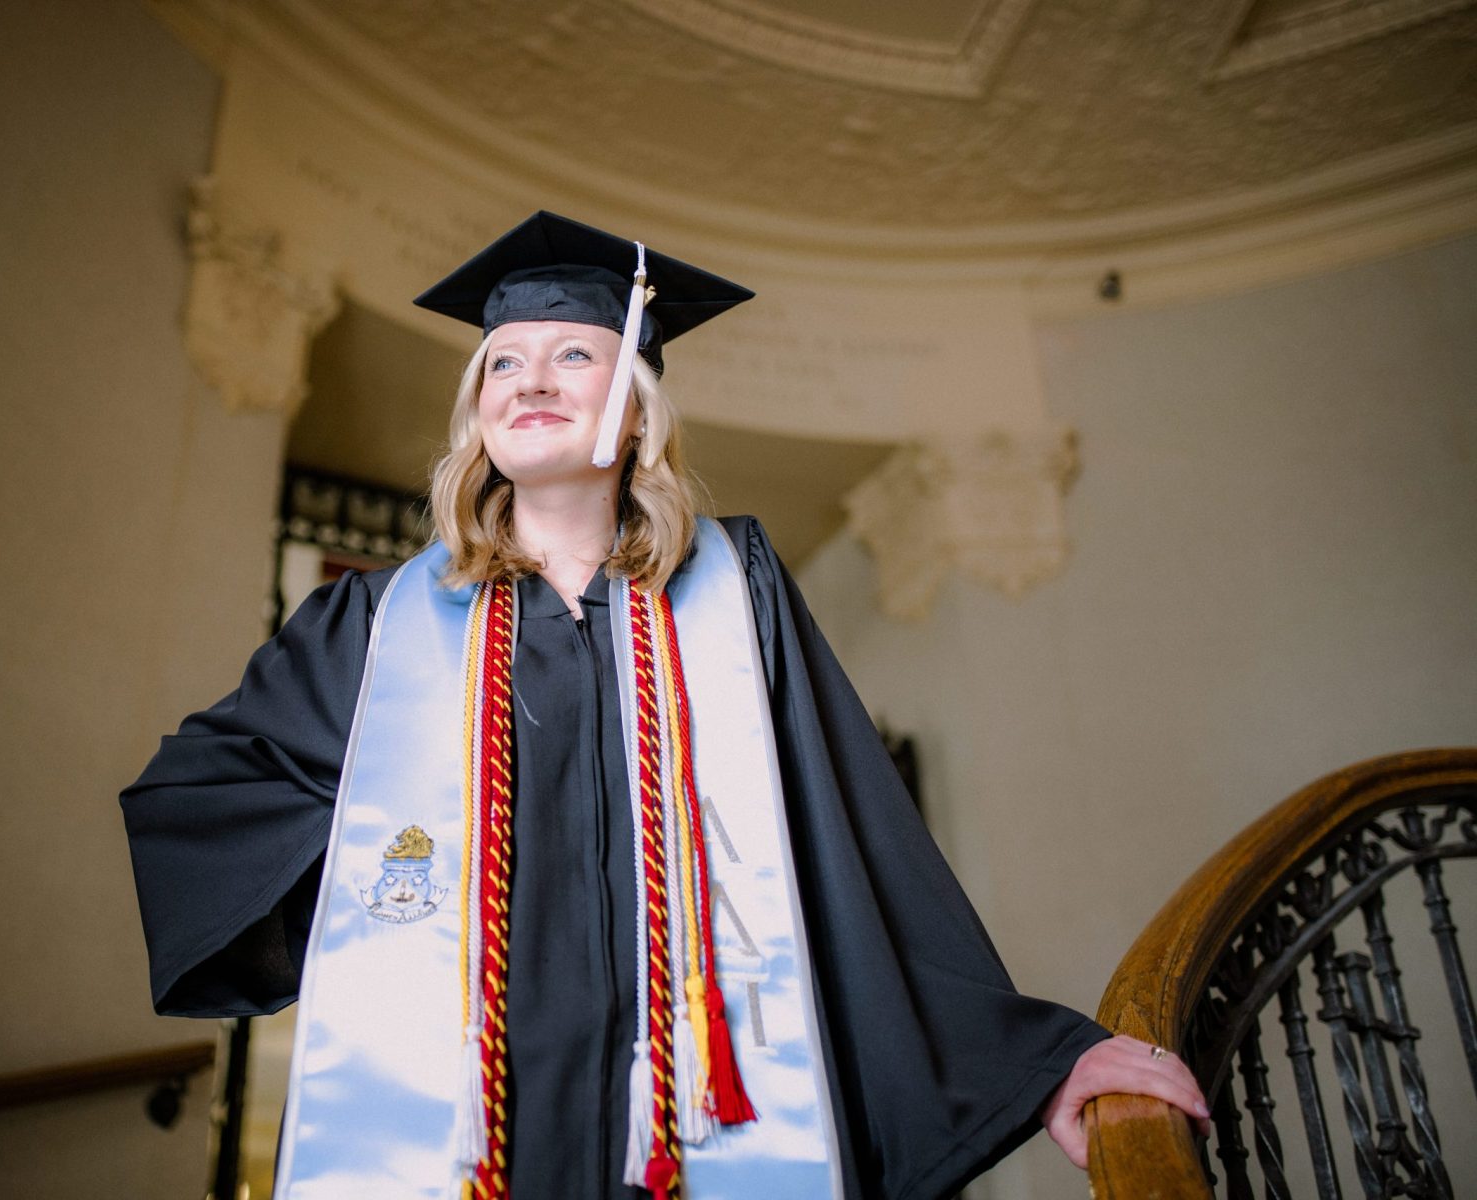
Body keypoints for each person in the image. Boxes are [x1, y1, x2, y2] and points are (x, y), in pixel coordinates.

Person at [121, 212, 1208, 1200]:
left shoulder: (737, 597)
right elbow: (208, 796)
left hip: (694, 1131)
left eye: (573, 354)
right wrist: (386, 872)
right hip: (461, 1133)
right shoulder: (374, 624)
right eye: (502, 361)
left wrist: (1036, 1057)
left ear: (634, 410)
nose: (529, 378)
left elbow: (854, 843)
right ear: (477, 412)